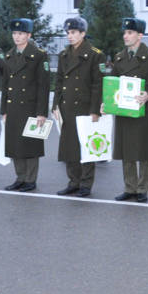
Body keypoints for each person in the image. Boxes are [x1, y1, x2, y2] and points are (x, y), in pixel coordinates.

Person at [109, 17, 148, 203]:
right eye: (124, 33)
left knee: (142, 151)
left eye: (130, 33)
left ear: (140, 35)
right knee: (126, 150)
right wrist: (107, 101)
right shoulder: (119, 57)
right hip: (123, 110)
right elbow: (112, 83)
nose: (125, 36)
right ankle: (130, 187)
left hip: (141, 110)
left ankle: (142, 189)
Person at [52, 17, 104, 197]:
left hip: (84, 107)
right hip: (67, 106)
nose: (70, 36)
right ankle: (73, 182)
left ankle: (85, 184)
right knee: (69, 146)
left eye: (73, 32)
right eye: (68, 33)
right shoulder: (64, 54)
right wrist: (55, 105)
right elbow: (59, 82)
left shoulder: (95, 55)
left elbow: (98, 85)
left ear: (83, 33)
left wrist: (95, 110)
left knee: (86, 146)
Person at [1, 18, 50, 192]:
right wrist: (4, 110)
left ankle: (30, 179)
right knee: (15, 144)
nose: (16, 36)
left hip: (30, 106)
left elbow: (43, 86)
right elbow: (5, 85)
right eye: (14, 33)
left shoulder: (38, 55)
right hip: (13, 106)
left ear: (28, 35)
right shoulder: (9, 55)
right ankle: (20, 177)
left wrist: (41, 112)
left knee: (30, 144)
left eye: (20, 33)